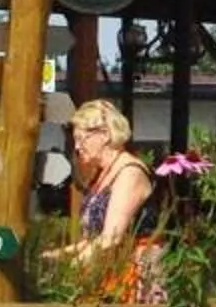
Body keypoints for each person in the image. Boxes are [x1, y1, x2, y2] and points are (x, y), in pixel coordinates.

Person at [53, 98, 152, 283]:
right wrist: (56, 257)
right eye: (75, 140)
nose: (77, 147)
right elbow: (94, 240)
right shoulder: (100, 176)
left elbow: (111, 238)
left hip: (134, 278)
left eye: (81, 139)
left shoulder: (129, 173)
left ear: (105, 135)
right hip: (108, 273)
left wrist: (69, 271)